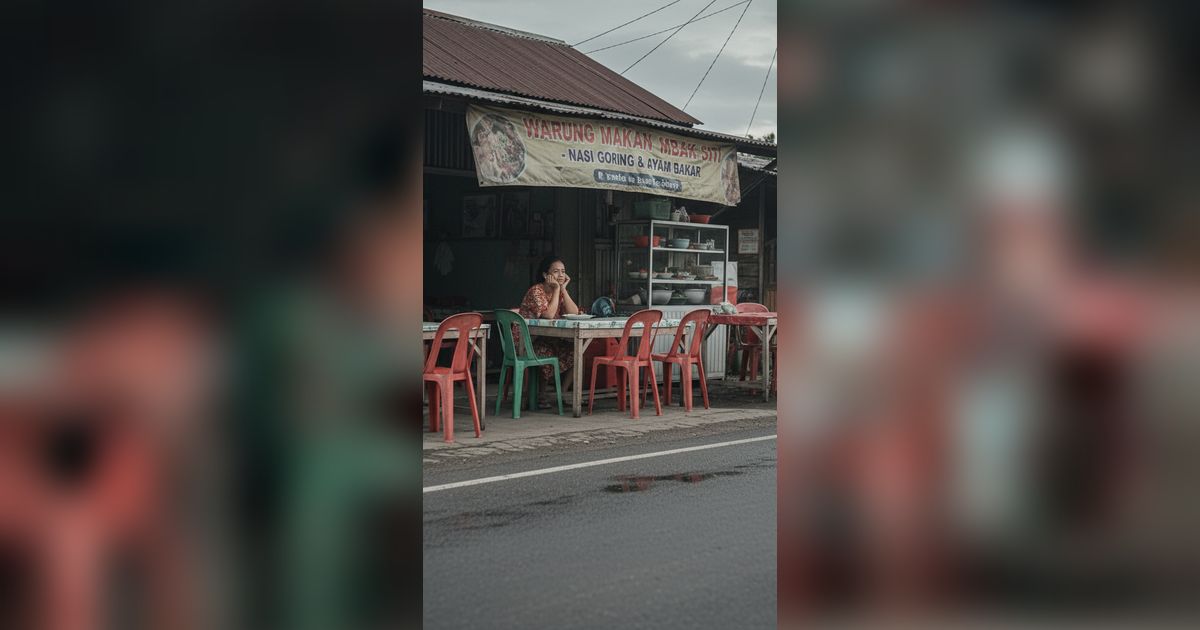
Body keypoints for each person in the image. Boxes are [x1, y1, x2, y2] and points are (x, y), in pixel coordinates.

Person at [516, 255, 580, 406]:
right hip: (526, 341)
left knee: (576, 352)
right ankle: (541, 395)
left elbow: (575, 312)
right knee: (546, 351)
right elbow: (548, 315)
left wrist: (563, 289)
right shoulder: (536, 291)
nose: (561, 275)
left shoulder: (558, 291)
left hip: (545, 338)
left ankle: (561, 393)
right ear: (546, 275)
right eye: (556, 271)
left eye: (563, 271)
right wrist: (557, 290)